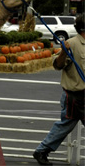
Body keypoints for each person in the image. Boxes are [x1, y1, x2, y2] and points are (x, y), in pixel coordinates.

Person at [33, 14, 85, 165]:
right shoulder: (71, 44)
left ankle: (41, 151)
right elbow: (58, 65)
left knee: (65, 125)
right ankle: (42, 150)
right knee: (65, 125)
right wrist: (63, 52)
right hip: (75, 97)